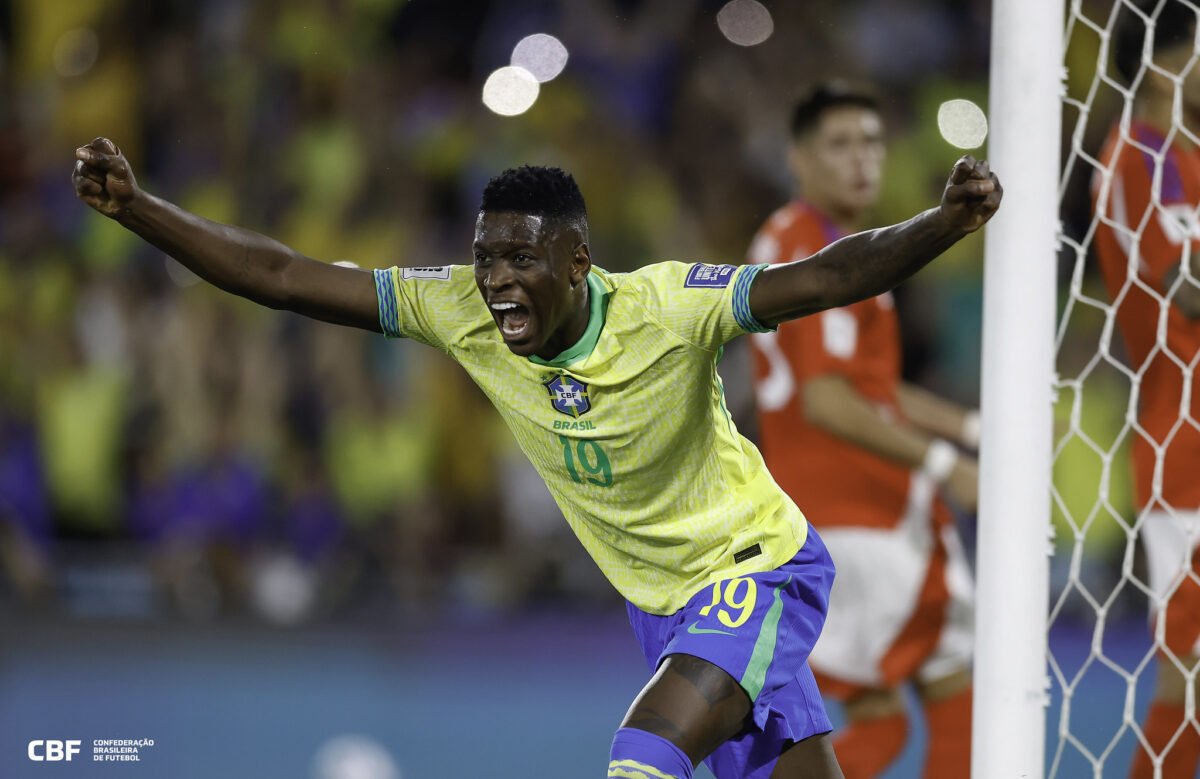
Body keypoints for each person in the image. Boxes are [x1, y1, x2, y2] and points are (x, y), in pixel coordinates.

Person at [72, 135, 1000, 779]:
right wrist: (140, 211)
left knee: (643, 757)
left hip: (757, 572)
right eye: (485, 258)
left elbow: (830, 275)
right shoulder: (464, 313)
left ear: (579, 259)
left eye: (520, 258)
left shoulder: (672, 308)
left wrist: (941, 225)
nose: (497, 280)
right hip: (664, 604)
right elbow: (283, 276)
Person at [746, 83, 980, 779]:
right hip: (867, 517)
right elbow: (827, 401)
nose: (862, 160)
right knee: (958, 698)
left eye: (872, 142)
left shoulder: (817, 242)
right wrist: (946, 463)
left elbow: (869, 392)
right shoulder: (817, 251)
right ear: (798, 159)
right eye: (840, 144)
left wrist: (970, 424)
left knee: (878, 728)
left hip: (823, 517)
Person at [1095, 3, 1200, 777]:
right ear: (1167, 63)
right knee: (1188, 675)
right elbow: (1185, 285)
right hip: (1185, 445)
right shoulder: (1144, 149)